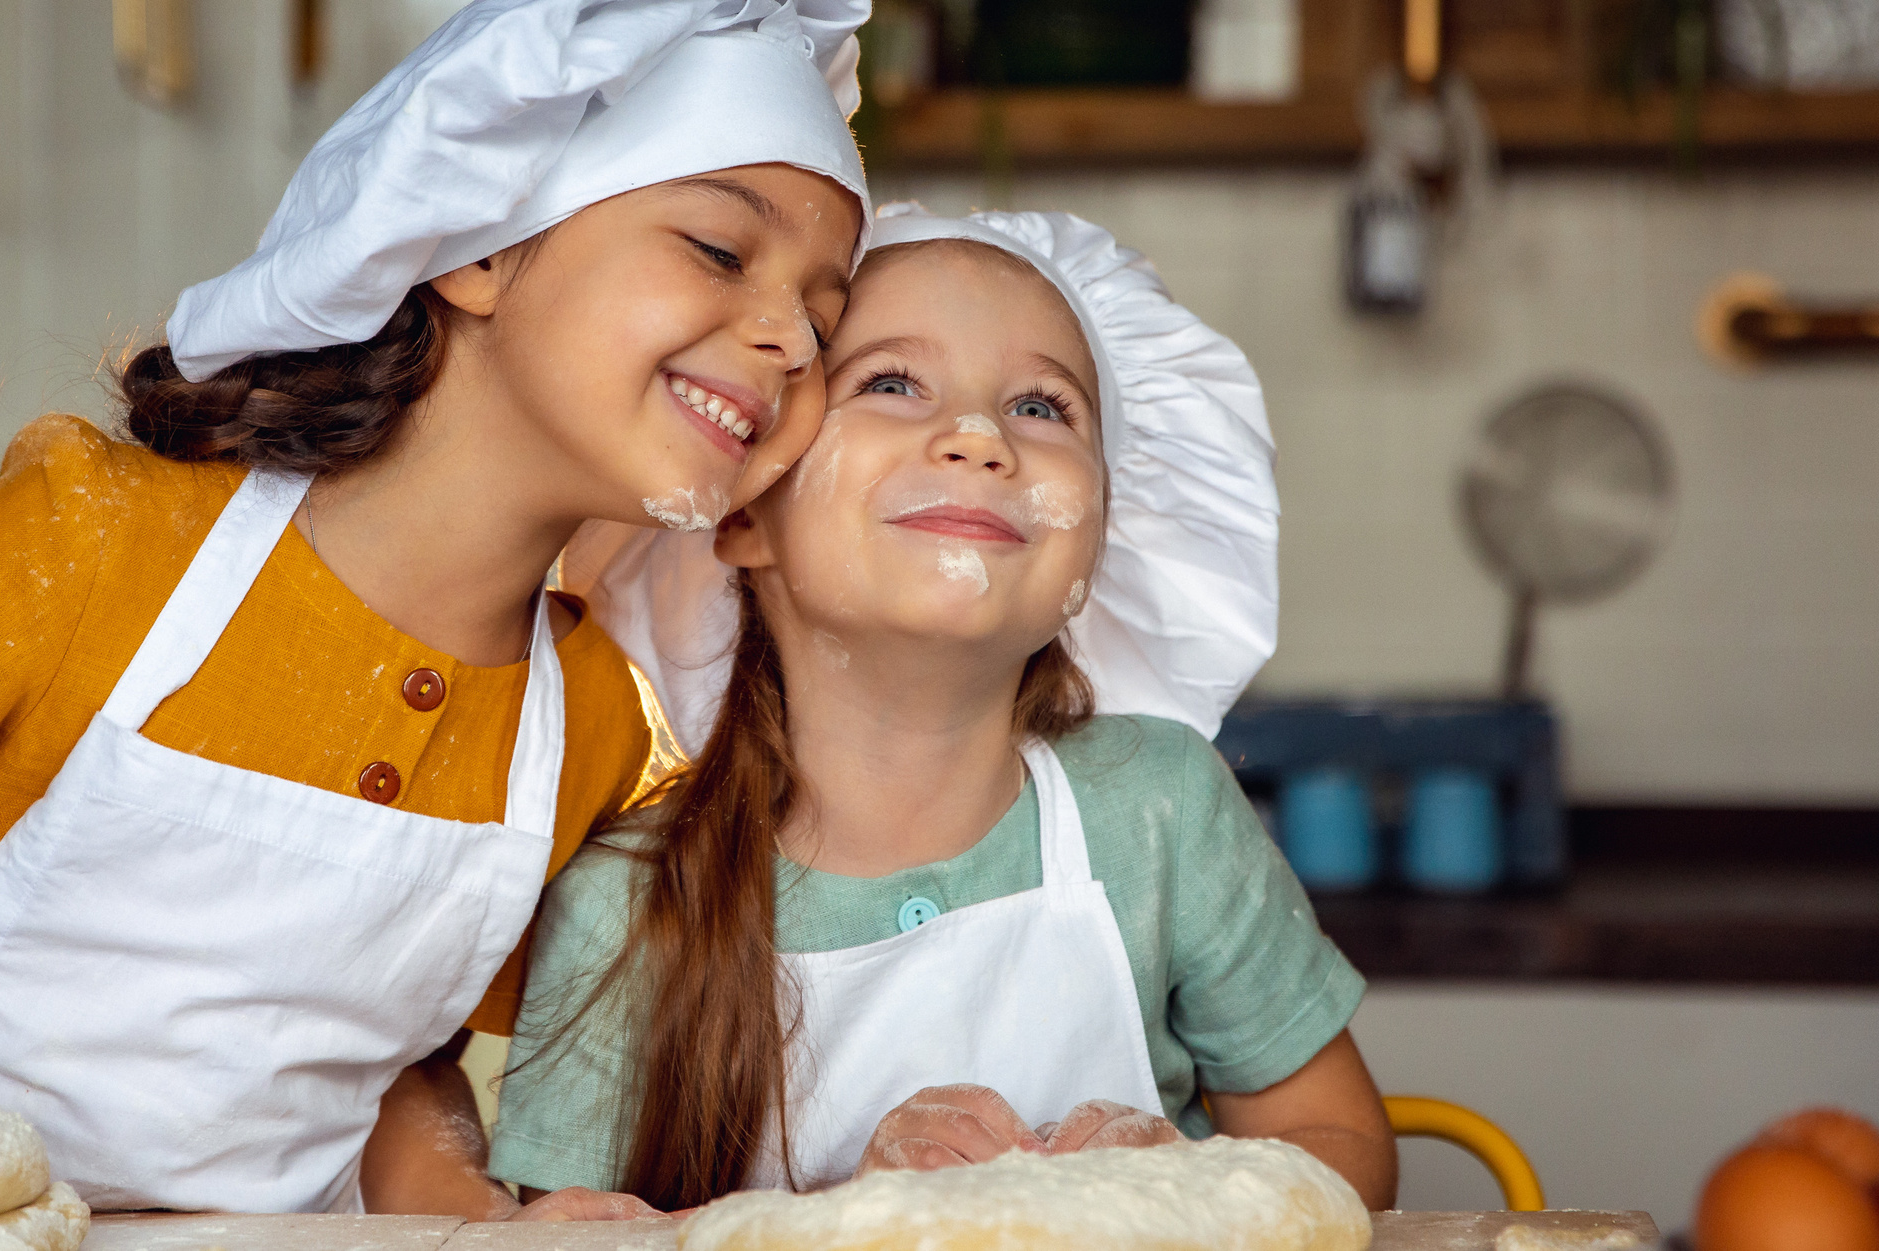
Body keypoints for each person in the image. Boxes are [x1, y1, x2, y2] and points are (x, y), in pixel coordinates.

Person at [0, 0, 874, 1217]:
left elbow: (386, 1058)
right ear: (475, 242)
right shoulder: (99, 538)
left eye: (826, 309)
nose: (790, 340)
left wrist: (475, 1211)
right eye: (718, 247)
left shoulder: (578, 715)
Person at [491, 206, 1398, 1210]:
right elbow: (566, 1231)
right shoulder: (629, 900)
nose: (976, 437)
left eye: (1042, 407)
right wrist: (856, 1218)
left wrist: (1186, 1189)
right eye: (888, 383)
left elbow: (1343, 1142)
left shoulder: (1163, 810)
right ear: (744, 514)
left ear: (1103, 539)